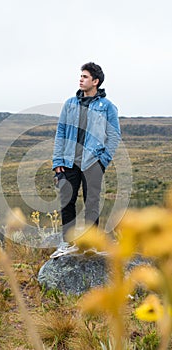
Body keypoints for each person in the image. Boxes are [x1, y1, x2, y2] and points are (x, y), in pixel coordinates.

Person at [50, 62, 121, 258]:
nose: (81, 79)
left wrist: (102, 161)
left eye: (85, 77)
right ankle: (68, 243)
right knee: (67, 202)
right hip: (69, 161)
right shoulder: (70, 104)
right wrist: (57, 163)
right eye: (81, 76)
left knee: (91, 204)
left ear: (95, 81)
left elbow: (114, 135)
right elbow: (61, 133)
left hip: (92, 162)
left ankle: (91, 245)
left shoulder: (107, 107)